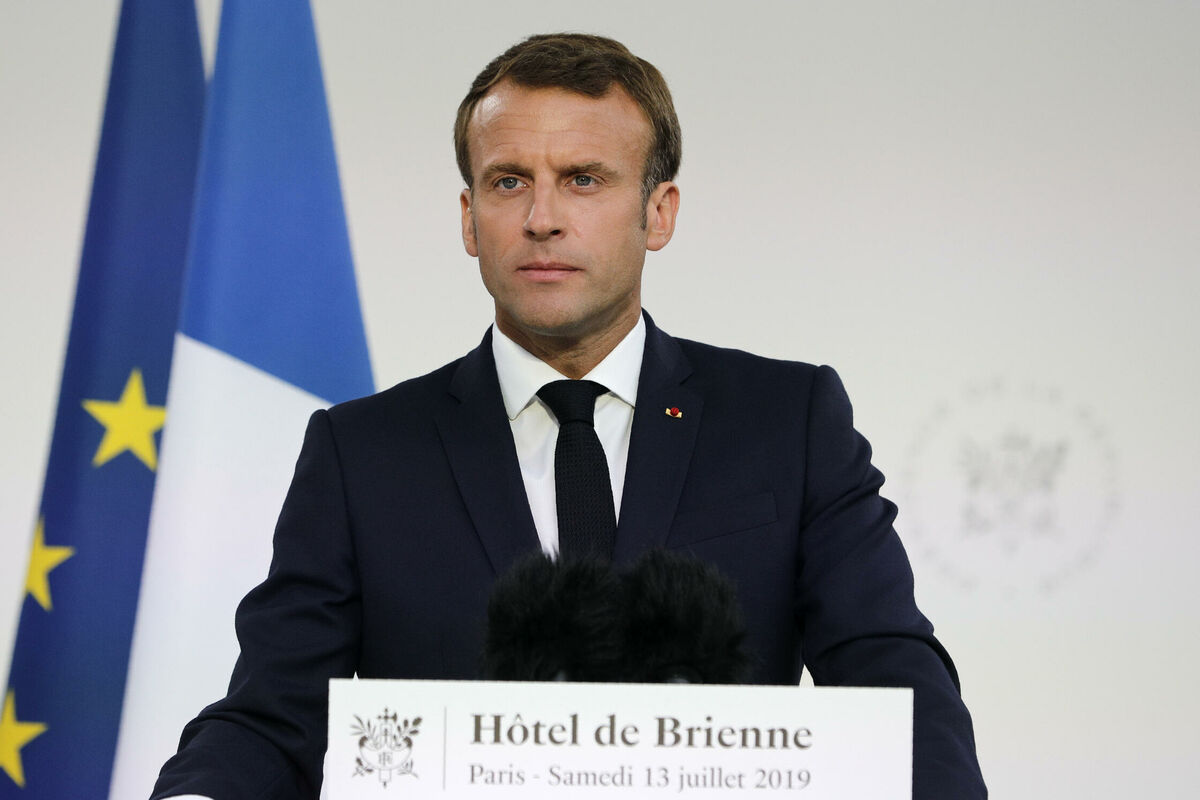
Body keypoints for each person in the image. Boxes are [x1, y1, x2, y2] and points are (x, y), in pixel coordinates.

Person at [152, 33, 986, 799]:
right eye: (508, 181)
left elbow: (894, 680)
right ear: (469, 219)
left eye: (584, 179)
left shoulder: (788, 422)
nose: (541, 217)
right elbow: (272, 717)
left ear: (659, 212)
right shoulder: (362, 453)